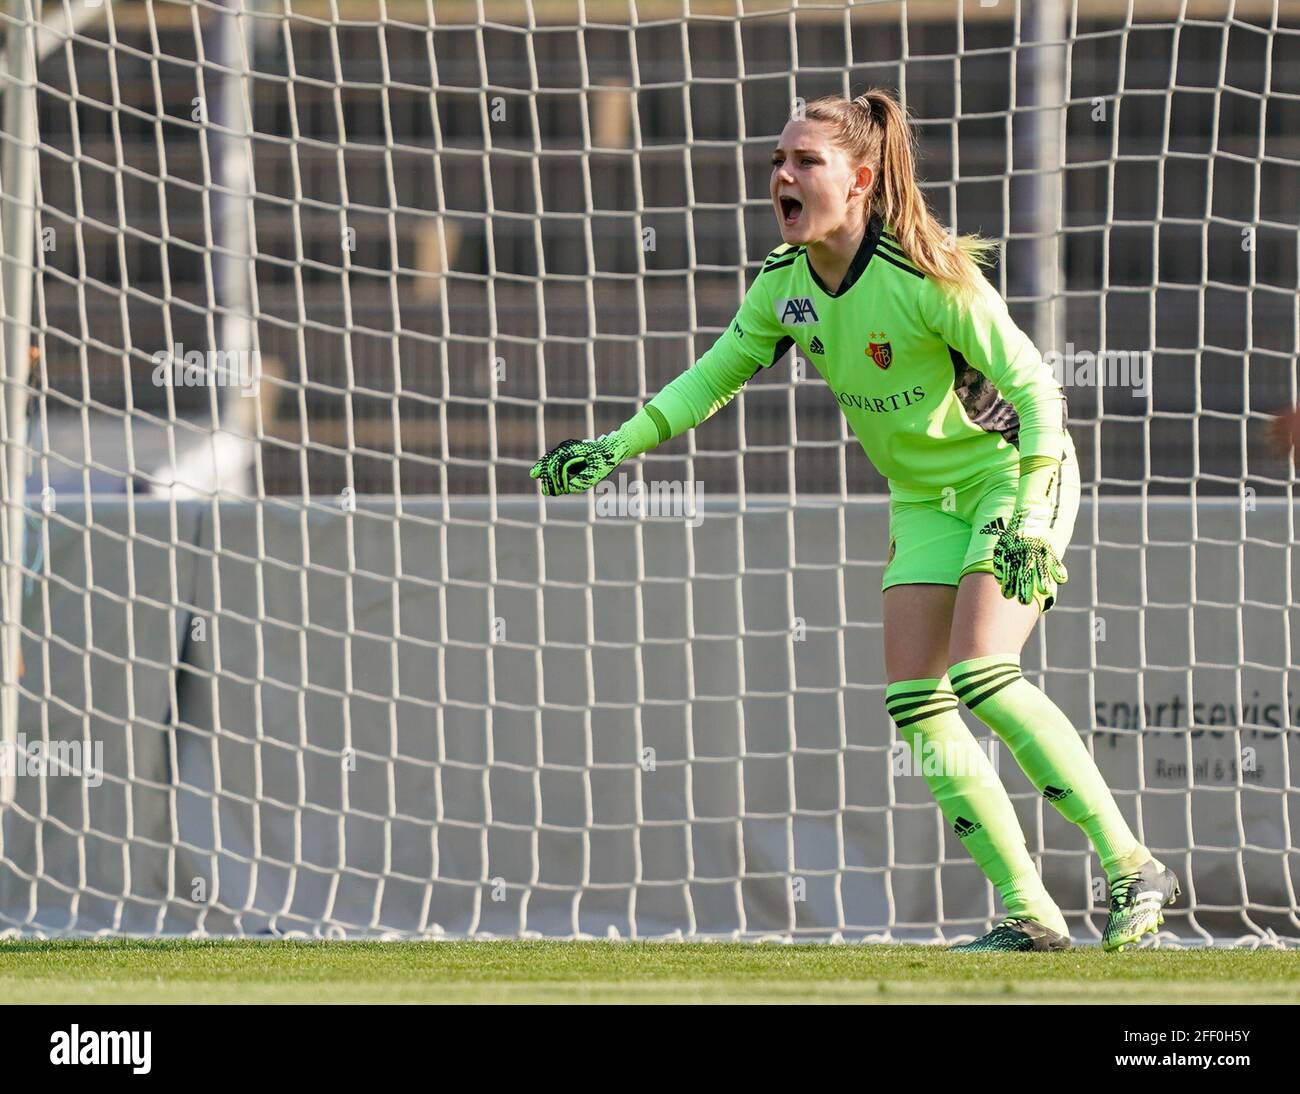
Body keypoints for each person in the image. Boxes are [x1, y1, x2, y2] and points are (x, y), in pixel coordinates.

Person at [530, 89, 1179, 952]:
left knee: (984, 669)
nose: (782, 176)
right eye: (777, 162)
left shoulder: (928, 274)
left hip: (1013, 473)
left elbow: (1036, 393)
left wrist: (1026, 521)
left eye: (805, 161)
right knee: (918, 701)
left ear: (861, 179)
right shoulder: (786, 286)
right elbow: (709, 379)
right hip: (922, 500)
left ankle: (1131, 865)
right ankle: (1031, 913)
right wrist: (615, 447)